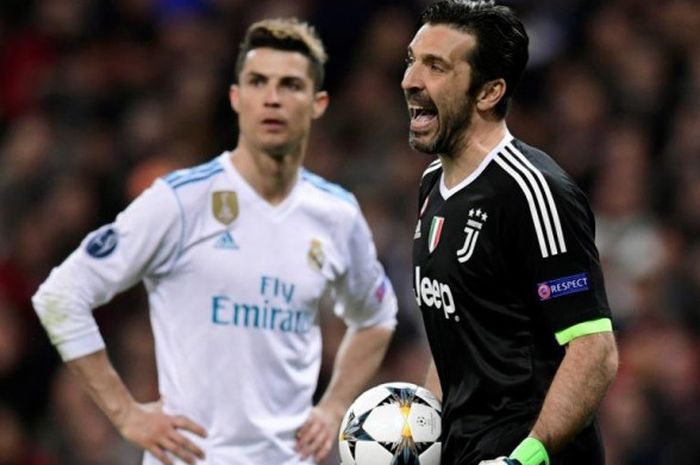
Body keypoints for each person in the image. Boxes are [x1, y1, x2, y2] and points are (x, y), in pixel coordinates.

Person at [32, 18, 398, 465]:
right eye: (257, 82)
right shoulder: (181, 201)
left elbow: (377, 317)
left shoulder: (337, 215)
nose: (272, 98)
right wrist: (126, 415)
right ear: (235, 98)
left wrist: (335, 406)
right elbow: (60, 296)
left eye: (290, 85)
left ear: (318, 103)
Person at [401, 2, 618, 465]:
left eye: (435, 66)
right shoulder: (431, 185)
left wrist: (526, 457)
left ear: (489, 92)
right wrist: (418, 437)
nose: (410, 80)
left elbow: (594, 350)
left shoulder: (533, 191)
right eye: (412, 59)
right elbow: (454, 341)